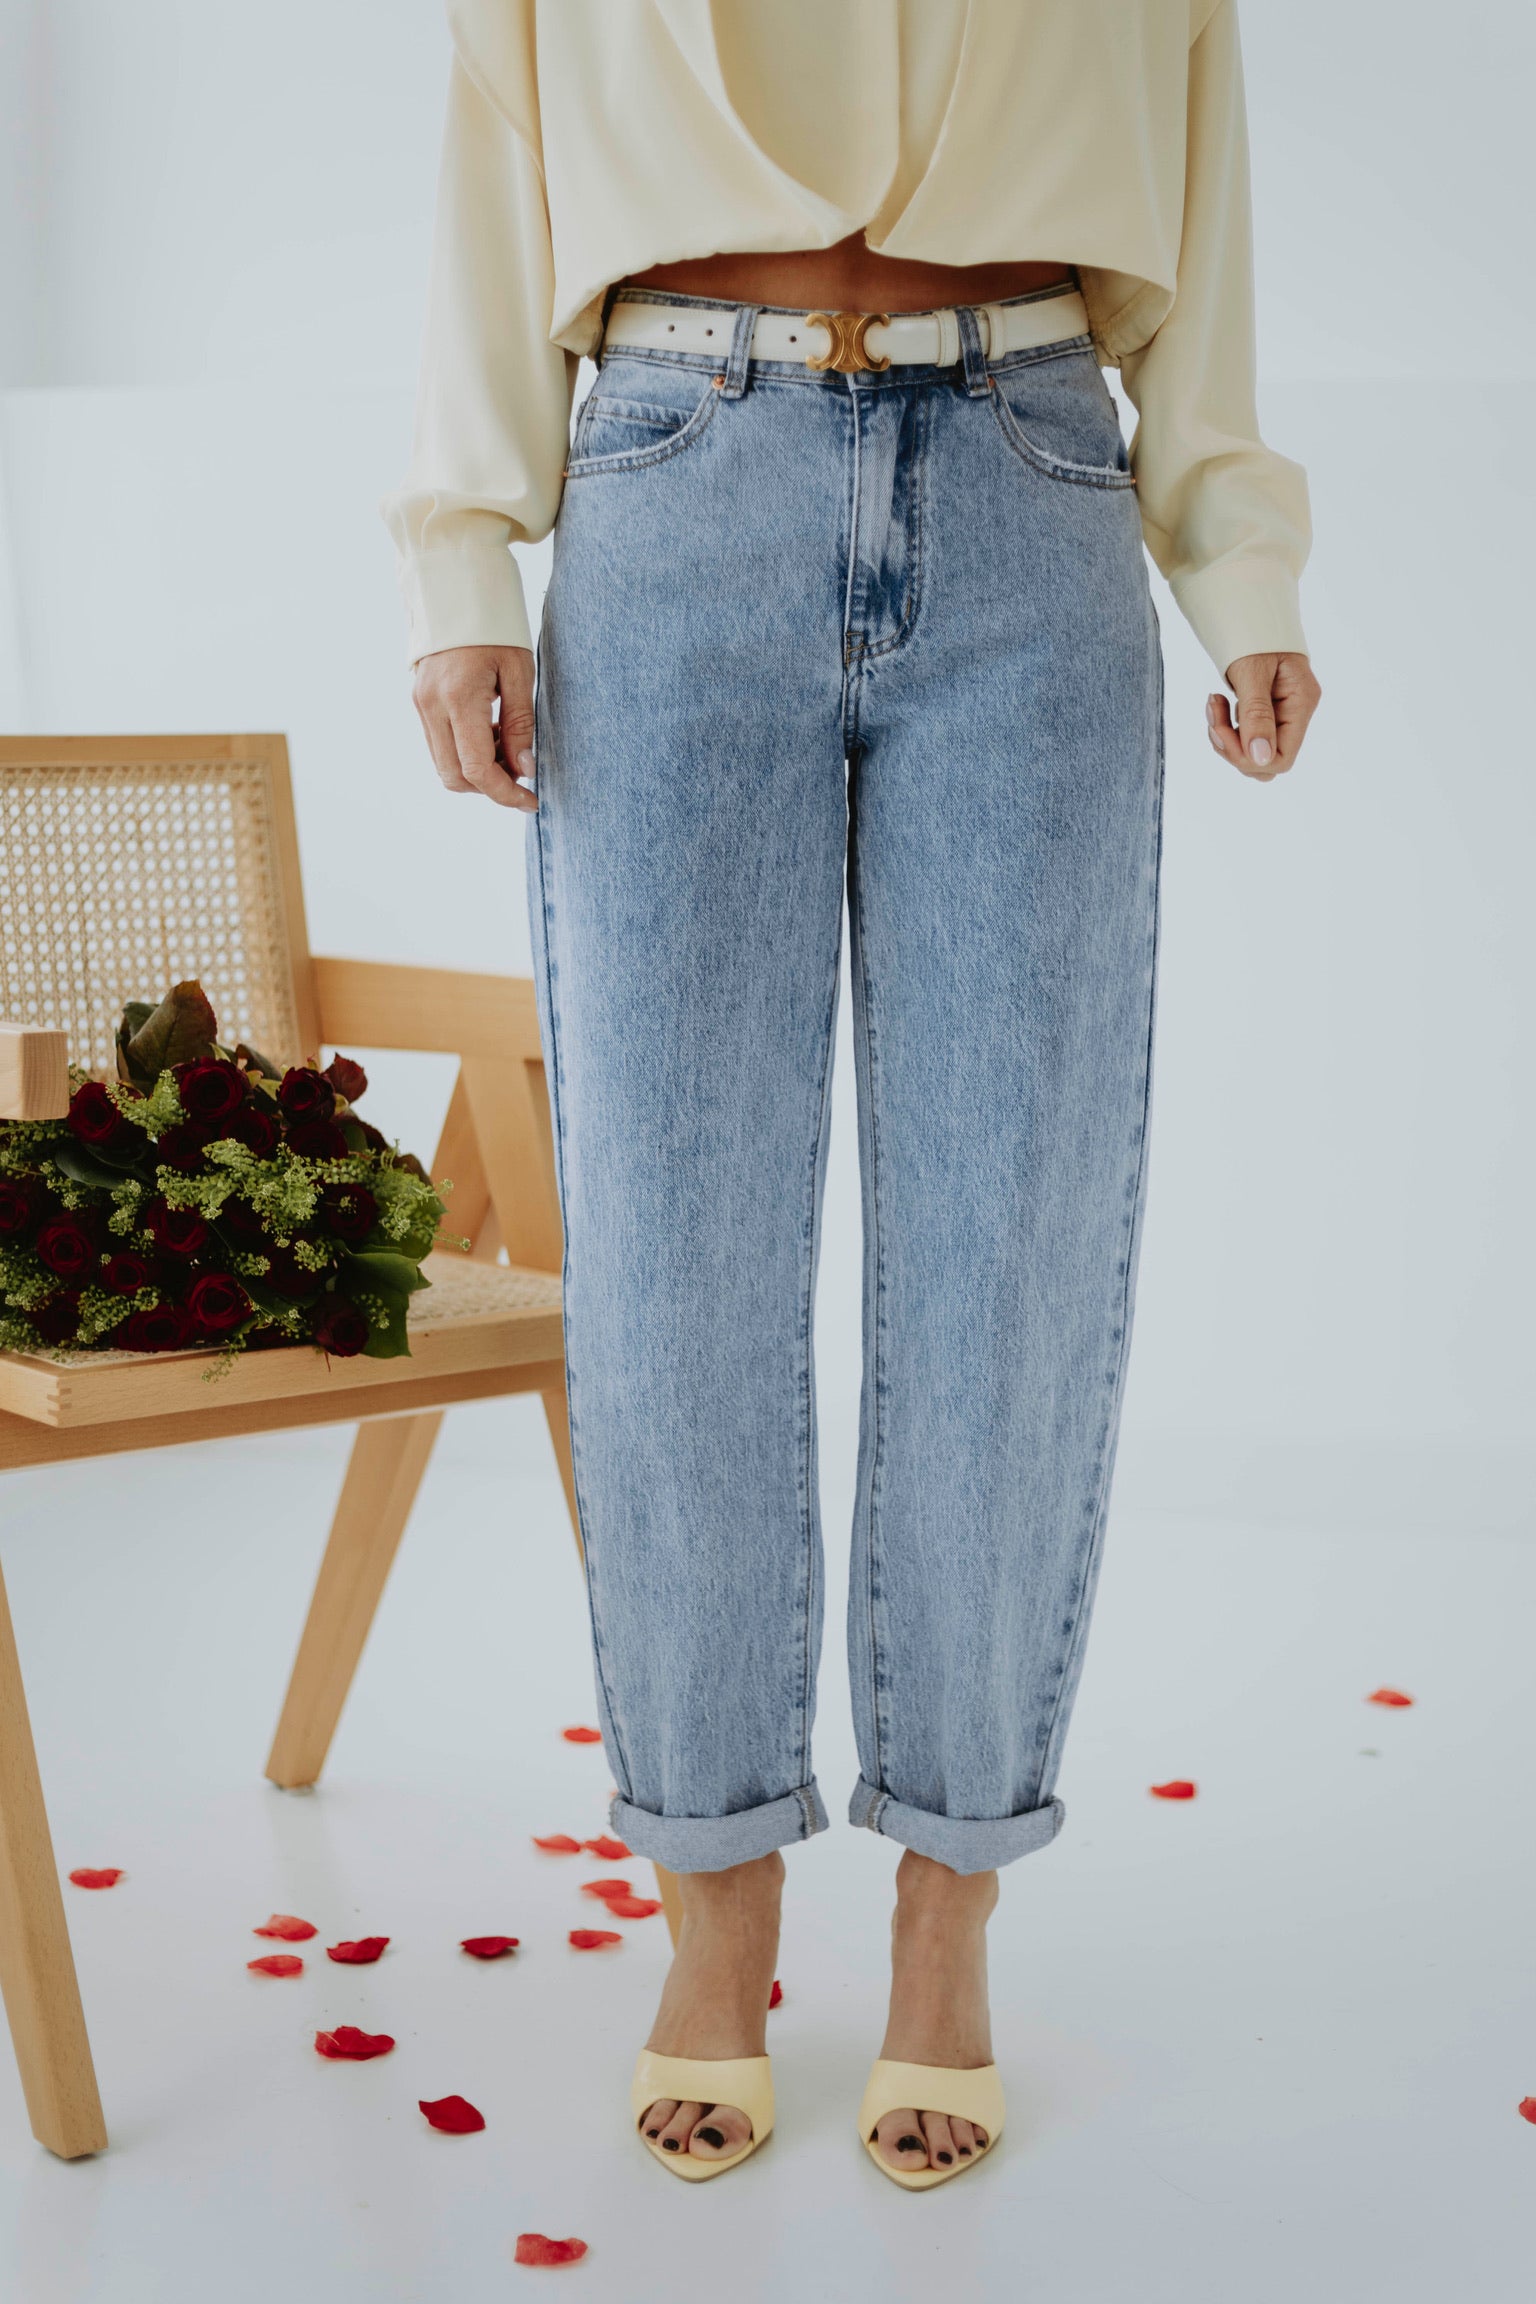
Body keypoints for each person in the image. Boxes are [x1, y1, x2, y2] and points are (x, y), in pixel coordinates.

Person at [385, 0, 1320, 2190]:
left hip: (1033, 477)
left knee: (1011, 1247)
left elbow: (1199, 197)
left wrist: (1240, 561)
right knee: (673, 1258)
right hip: (668, 478)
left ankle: (948, 1909)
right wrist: (460, 562)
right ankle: (710, 1906)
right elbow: (495, 156)